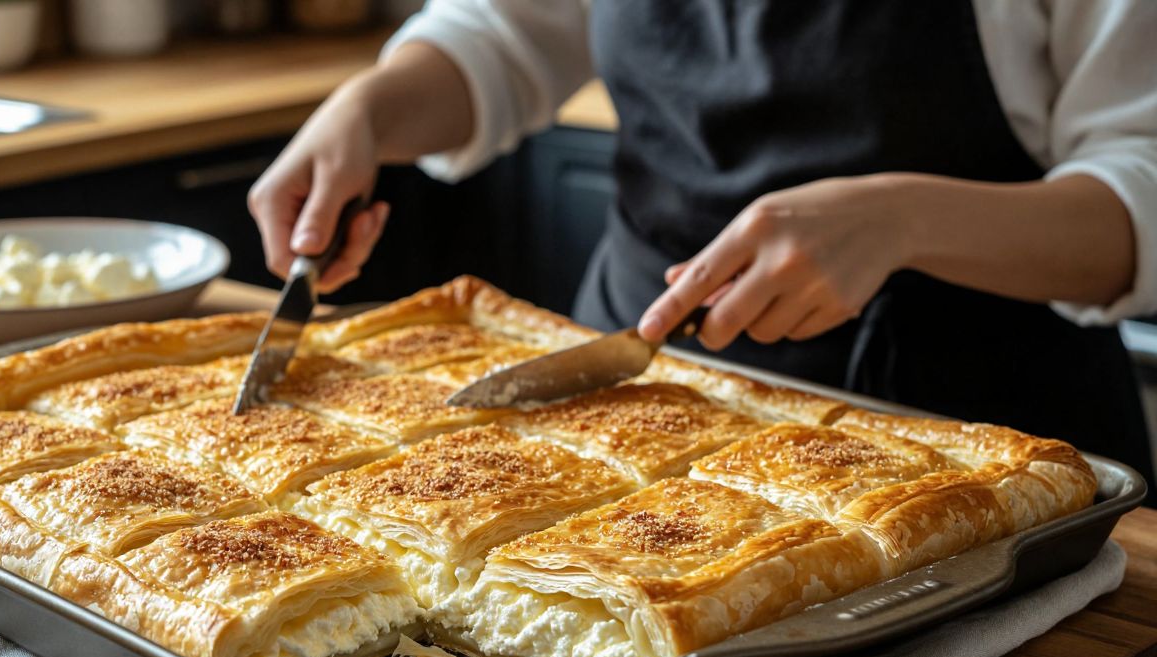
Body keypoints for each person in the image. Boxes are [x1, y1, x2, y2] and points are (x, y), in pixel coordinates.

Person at [247, 0, 1157, 481]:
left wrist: (903, 219)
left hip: (970, 419)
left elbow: (1140, 193)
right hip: (635, 376)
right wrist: (370, 107)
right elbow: (500, 31)